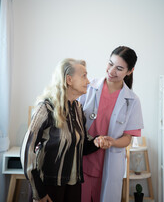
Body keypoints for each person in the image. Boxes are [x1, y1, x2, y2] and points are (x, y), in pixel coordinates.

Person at [20, 58, 109, 202]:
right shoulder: (46, 108)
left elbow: (82, 146)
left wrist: (97, 142)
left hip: (73, 186)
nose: (88, 81)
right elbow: (27, 151)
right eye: (84, 76)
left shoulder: (78, 109)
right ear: (69, 79)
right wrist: (39, 192)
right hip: (48, 185)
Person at [78, 46, 144, 202]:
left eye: (119, 68)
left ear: (130, 71)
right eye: (110, 63)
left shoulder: (132, 101)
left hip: (109, 164)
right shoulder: (88, 88)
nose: (111, 71)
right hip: (83, 160)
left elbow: (128, 138)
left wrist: (113, 142)